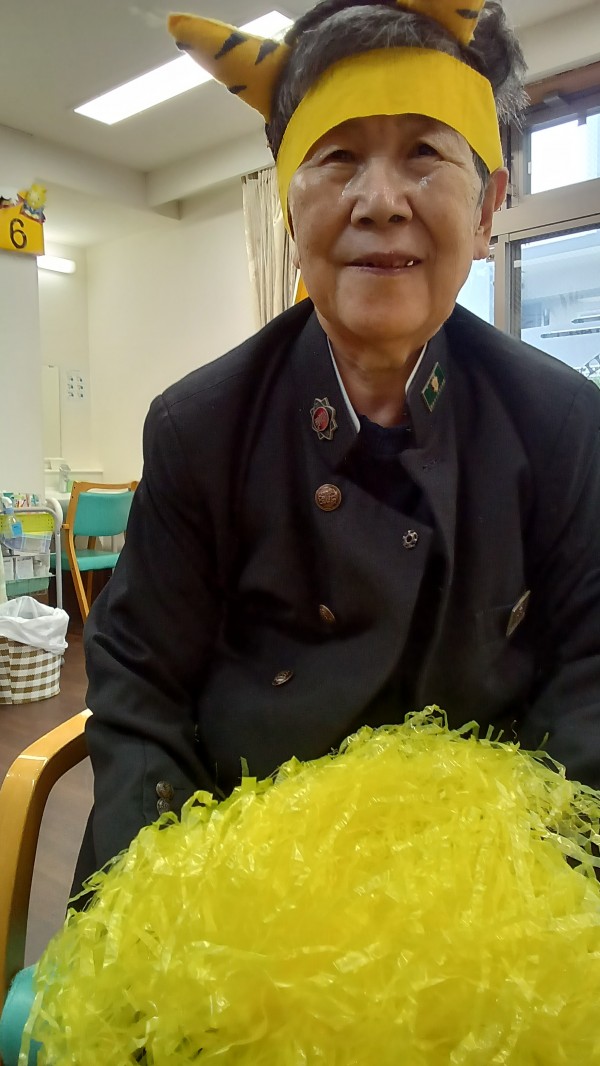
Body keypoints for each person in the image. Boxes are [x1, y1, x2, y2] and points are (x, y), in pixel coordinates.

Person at [73, 0, 600, 893]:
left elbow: (590, 676)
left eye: (424, 152)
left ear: (488, 210)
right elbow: (139, 680)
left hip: (481, 884)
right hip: (244, 867)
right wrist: (175, 896)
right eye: (339, 156)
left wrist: (537, 881)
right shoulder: (199, 427)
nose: (380, 201)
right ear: (288, 207)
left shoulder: (565, 424)